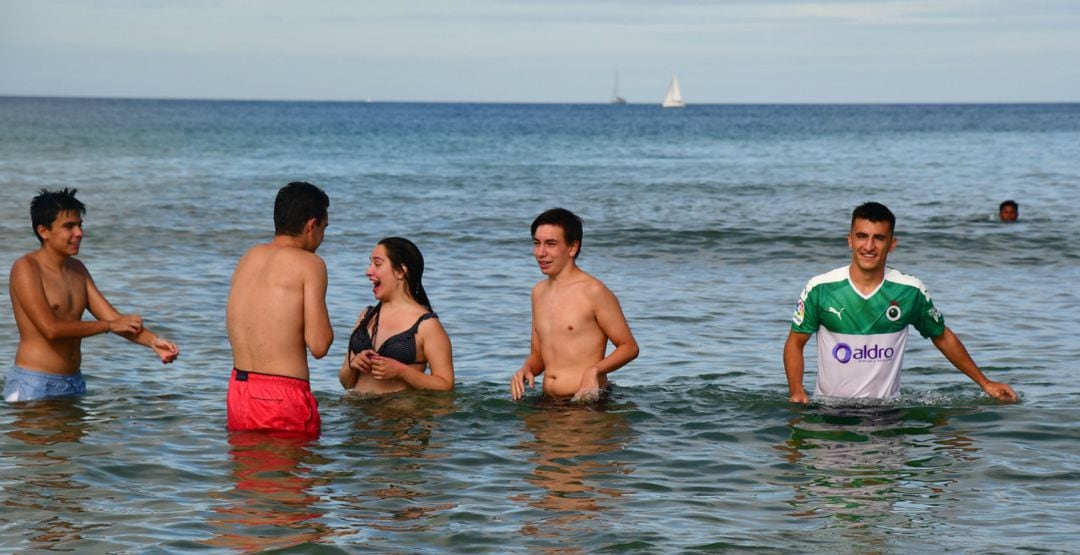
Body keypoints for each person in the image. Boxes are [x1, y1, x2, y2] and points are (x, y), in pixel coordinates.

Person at [783, 201, 1017, 403]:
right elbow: (795, 343)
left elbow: (942, 336)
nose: (869, 246)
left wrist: (985, 383)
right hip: (830, 410)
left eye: (879, 238)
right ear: (850, 240)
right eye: (862, 236)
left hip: (886, 412)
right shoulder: (820, 288)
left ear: (892, 244)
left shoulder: (910, 291)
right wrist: (796, 389)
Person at [4, 188, 179, 403]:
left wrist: (153, 341)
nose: (79, 233)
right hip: (35, 383)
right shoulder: (26, 268)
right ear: (44, 231)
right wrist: (108, 326)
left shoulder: (77, 269)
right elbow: (51, 329)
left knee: (74, 438)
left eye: (79, 225)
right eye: (69, 227)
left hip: (73, 382)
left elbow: (114, 319)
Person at [226, 182, 333, 436]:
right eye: (324, 228)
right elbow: (319, 345)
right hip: (281, 396)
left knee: (250, 473)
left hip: (239, 391)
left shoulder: (249, 257)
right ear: (311, 225)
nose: (322, 237)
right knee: (291, 474)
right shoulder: (310, 264)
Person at [510, 208, 639, 401]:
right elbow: (539, 354)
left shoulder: (594, 291)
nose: (541, 253)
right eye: (537, 243)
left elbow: (629, 347)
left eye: (551, 244)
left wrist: (594, 370)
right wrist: (527, 368)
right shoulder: (538, 292)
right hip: (548, 400)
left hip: (586, 402)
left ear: (572, 247)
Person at [339, 237, 454, 395]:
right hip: (356, 414)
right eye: (370, 263)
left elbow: (446, 385)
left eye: (377, 264)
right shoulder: (366, 316)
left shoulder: (427, 325)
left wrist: (401, 371)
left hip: (397, 415)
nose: (368, 271)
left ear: (400, 272)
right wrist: (353, 365)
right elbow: (346, 383)